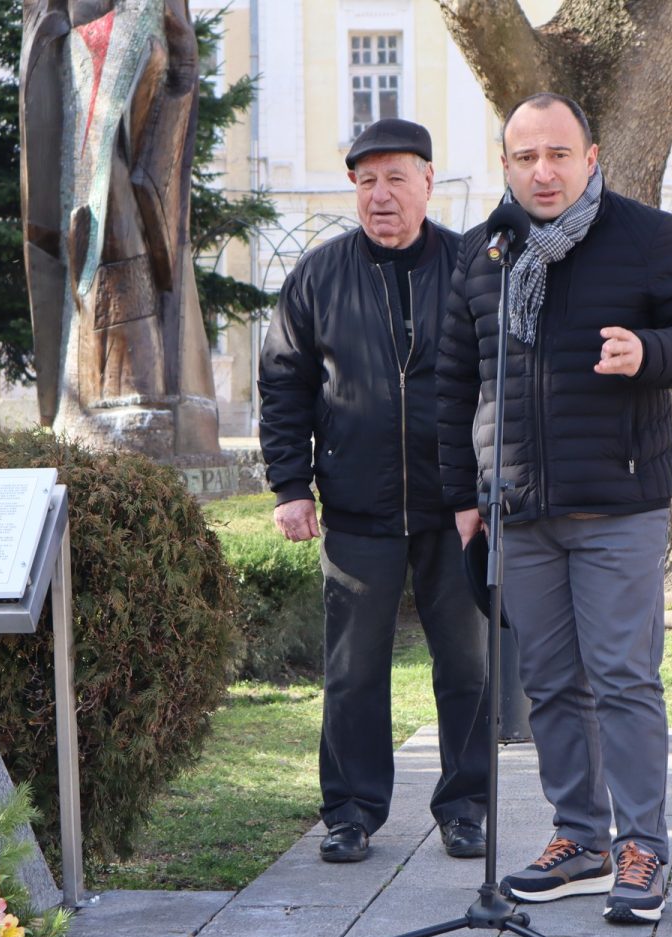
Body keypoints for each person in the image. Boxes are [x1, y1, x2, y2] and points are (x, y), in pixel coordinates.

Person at [436, 93, 672, 922]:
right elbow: (455, 384)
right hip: (519, 509)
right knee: (550, 683)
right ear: (506, 165)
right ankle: (579, 838)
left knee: (623, 678)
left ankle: (642, 847)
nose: (544, 171)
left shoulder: (647, 238)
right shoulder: (484, 254)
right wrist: (463, 497)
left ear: (591, 158)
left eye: (559, 154)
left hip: (618, 503)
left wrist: (649, 351)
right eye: (526, 157)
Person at [258, 118, 490, 864]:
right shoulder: (318, 275)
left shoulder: (469, 266)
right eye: (366, 181)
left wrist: (491, 486)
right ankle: (351, 812)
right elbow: (283, 383)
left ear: (428, 180)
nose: (380, 195)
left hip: (458, 508)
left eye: (395, 178)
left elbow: (500, 382)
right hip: (358, 506)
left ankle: (466, 808)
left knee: (468, 665)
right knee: (353, 672)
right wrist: (291, 485)